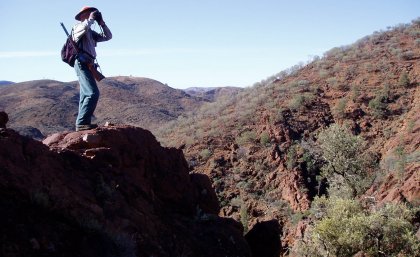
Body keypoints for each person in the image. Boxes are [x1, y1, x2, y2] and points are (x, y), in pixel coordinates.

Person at [72, 6, 112, 131]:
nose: (92, 15)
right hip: (81, 62)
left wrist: (102, 23)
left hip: (88, 63)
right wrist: (90, 19)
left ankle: (83, 123)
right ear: (83, 15)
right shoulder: (77, 27)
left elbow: (108, 36)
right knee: (92, 93)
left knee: (85, 94)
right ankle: (82, 123)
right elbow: (83, 28)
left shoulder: (90, 32)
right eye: (89, 13)